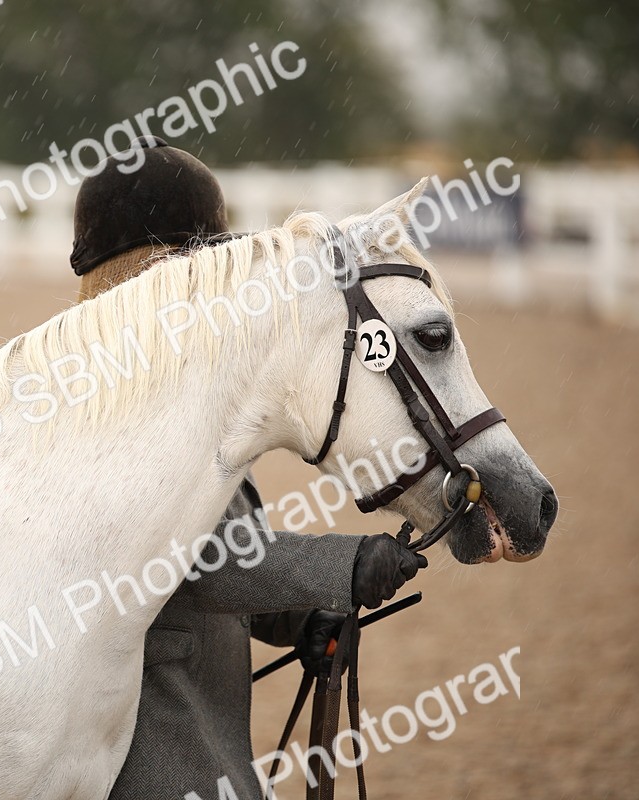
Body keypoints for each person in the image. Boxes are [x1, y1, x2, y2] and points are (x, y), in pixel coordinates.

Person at [68, 136, 427, 800]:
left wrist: (304, 615)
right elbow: (198, 566)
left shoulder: (194, 405)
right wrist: (341, 567)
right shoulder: (105, 409)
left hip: (209, 754)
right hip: (143, 763)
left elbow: (233, 581)